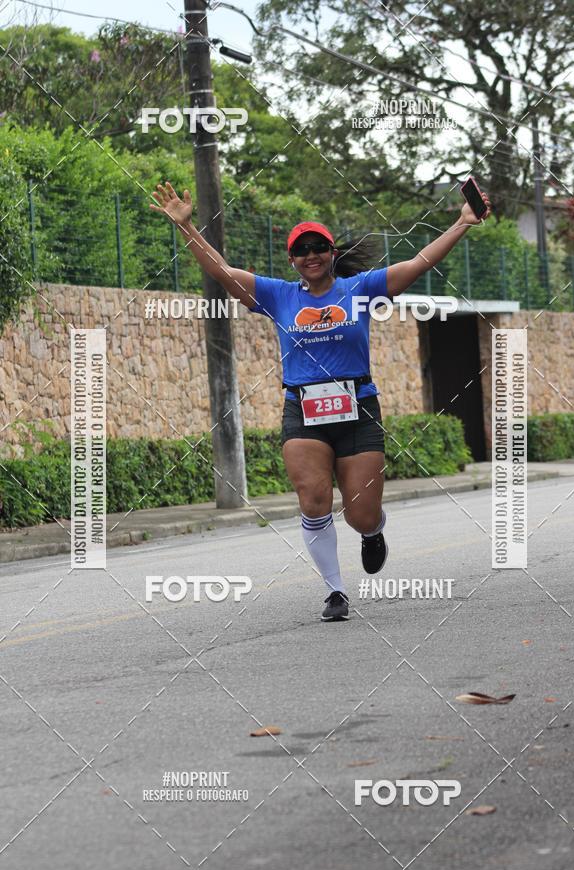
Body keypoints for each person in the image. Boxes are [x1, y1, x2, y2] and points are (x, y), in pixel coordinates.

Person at [150, 182, 491, 622]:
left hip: (359, 408)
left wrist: (462, 223)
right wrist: (188, 228)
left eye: (318, 247)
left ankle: (374, 531)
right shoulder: (278, 295)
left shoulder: (361, 289)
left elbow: (417, 263)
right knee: (312, 499)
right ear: (292, 260)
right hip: (303, 409)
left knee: (360, 515)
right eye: (301, 250)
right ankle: (335, 592)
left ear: (331, 253)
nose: (310, 255)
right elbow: (222, 273)